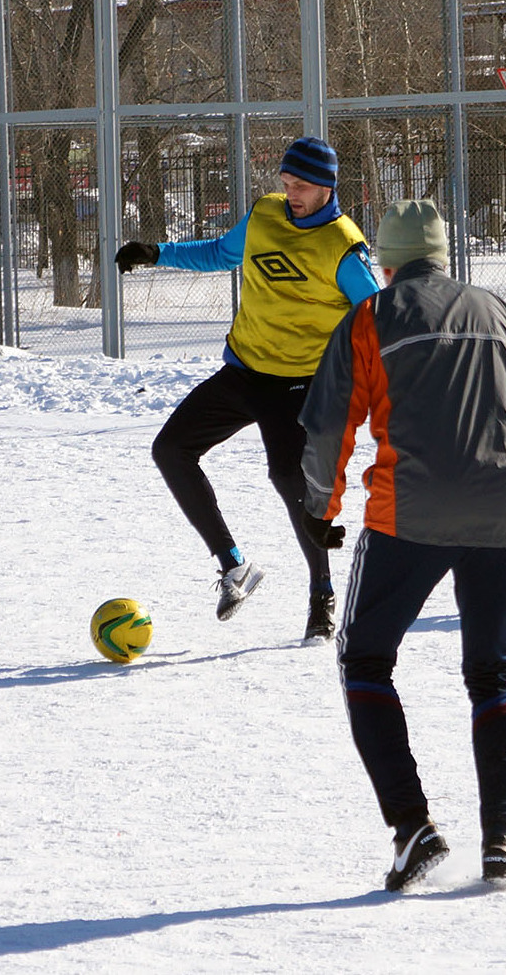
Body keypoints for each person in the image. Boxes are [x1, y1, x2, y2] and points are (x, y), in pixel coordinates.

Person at [299, 200, 506, 891]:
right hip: (505, 512)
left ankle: (413, 830)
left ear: (385, 261)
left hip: (407, 513)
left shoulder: (370, 320)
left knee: (366, 660)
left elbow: (327, 430)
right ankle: (502, 841)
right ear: (444, 257)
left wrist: (320, 510)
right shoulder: (503, 314)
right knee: (493, 672)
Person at [115, 137, 380, 643]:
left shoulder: (344, 246)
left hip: (301, 386)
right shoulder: (264, 216)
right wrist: (156, 252)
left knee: (288, 478)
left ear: (327, 186)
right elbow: (220, 252)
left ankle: (321, 593)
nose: (290, 193)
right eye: (285, 184)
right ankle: (233, 566)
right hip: (245, 370)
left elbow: (377, 320)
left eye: (300, 186)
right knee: (171, 448)